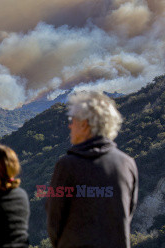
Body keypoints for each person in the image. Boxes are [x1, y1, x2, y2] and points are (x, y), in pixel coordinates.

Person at [46, 91, 138, 248]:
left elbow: (54, 220)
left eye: (72, 120)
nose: (69, 125)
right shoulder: (128, 164)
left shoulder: (67, 165)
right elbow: (128, 213)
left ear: (84, 124)